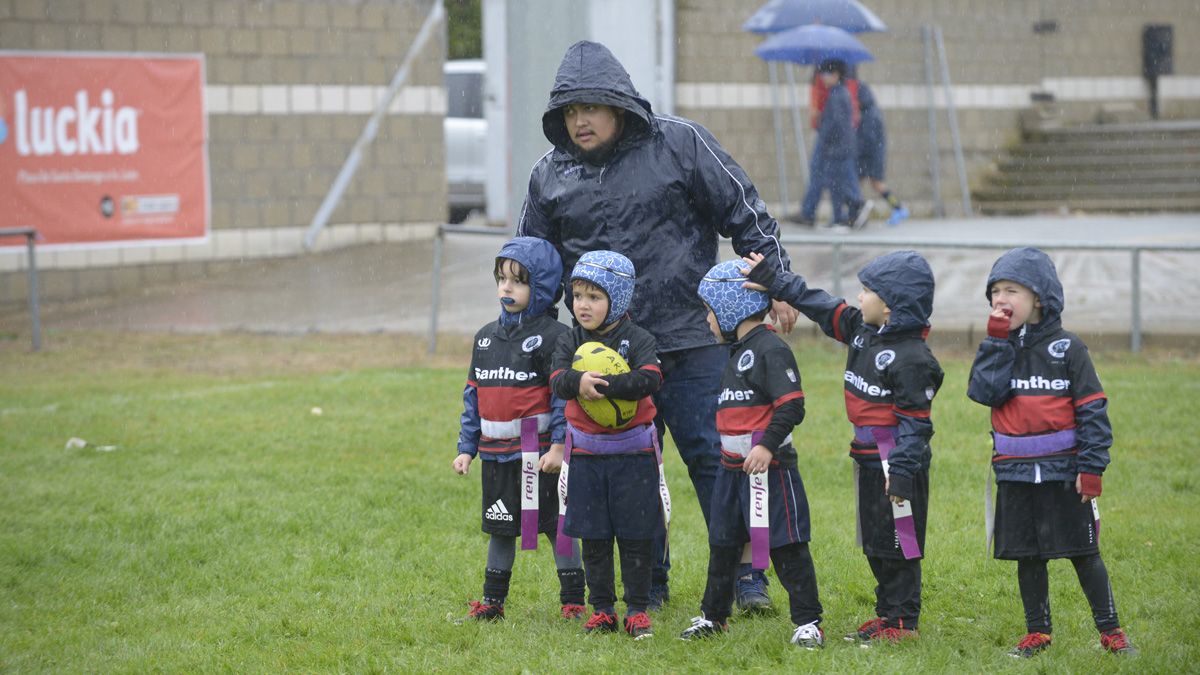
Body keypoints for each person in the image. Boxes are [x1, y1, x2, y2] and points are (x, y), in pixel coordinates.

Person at [518, 40, 799, 610]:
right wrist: (536, 337)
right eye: (569, 112)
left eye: (589, 108)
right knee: (629, 465)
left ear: (618, 105)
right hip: (601, 353)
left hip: (691, 338)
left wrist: (775, 280)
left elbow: (744, 210)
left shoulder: (680, 143)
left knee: (720, 459)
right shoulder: (549, 174)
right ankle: (651, 582)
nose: (580, 121)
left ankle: (748, 575)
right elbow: (537, 263)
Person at [742, 249, 943, 644]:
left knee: (900, 545)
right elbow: (820, 304)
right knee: (874, 544)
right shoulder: (861, 329)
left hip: (897, 466)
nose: (859, 296)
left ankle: (903, 622)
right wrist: (777, 281)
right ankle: (886, 613)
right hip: (866, 460)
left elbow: (917, 426)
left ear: (891, 307)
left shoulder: (913, 358)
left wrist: (901, 473)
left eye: (868, 291)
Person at [967, 247, 1135, 657]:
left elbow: (1092, 408)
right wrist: (995, 341)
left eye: (1012, 291)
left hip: (1064, 472)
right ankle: (1038, 632)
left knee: (1084, 552)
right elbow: (983, 392)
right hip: (1015, 473)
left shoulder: (1069, 348)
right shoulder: (998, 345)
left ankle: (1111, 631)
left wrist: (1092, 466)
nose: (1001, 299)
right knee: (1028, 556)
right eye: (995, 291)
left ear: (1038, 298)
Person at [678, 260, 825, 649]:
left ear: (730, 307)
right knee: (723, 543)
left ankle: (808, 622)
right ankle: (714, 617)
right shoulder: (734, 351)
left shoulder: (771, 349)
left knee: (787, 543)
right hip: (731, 471)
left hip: (770, 469)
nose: (706, 318)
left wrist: (764, 445)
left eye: (710, 309)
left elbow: (792, 406)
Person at [453, 237, 586, 621]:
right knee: (500, 528)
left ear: (541, 286)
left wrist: (558, 446)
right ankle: (492, 604)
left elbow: (563, 400)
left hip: (540, 456)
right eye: (501, 278)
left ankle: (573, 602)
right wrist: (467, 447)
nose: (505, 288)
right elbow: (472, 395)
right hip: (497, 457)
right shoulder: (484, 337)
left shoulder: (555, 337)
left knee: (556, 527)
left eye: (518, 280)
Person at [550, 250, 665, 639]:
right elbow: (556, 379)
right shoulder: (569, 339)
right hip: (585, 456)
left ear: (617, 299)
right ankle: (601, 608)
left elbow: (650, 379)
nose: (583, 305)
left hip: (633, 456)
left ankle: (637, 609)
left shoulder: (639, 339)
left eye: (594, 297)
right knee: (594, 537)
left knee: (636, 535)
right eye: (578, 295)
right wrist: (577, 382)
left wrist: (605, 387)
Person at [794, 59, 872, 231]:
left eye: (826, 74)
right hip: (840, 148)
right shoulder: (839, 93)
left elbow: (834, 124)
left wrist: (821, 122)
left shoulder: (837, 95)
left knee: (841, 183)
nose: (823, 78)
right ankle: (839, 217)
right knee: (837, 184)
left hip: (838, 149)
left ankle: (853, 211)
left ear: (835, 75)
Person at [855, 81, 909, 226]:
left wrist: (858, 152)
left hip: (870, 156)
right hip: (874, 155)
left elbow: (868, 138)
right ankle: (896, 207)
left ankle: (896, 207)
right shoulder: (873, 112)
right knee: (874, 184)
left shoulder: (868, 115)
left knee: (871, 183)